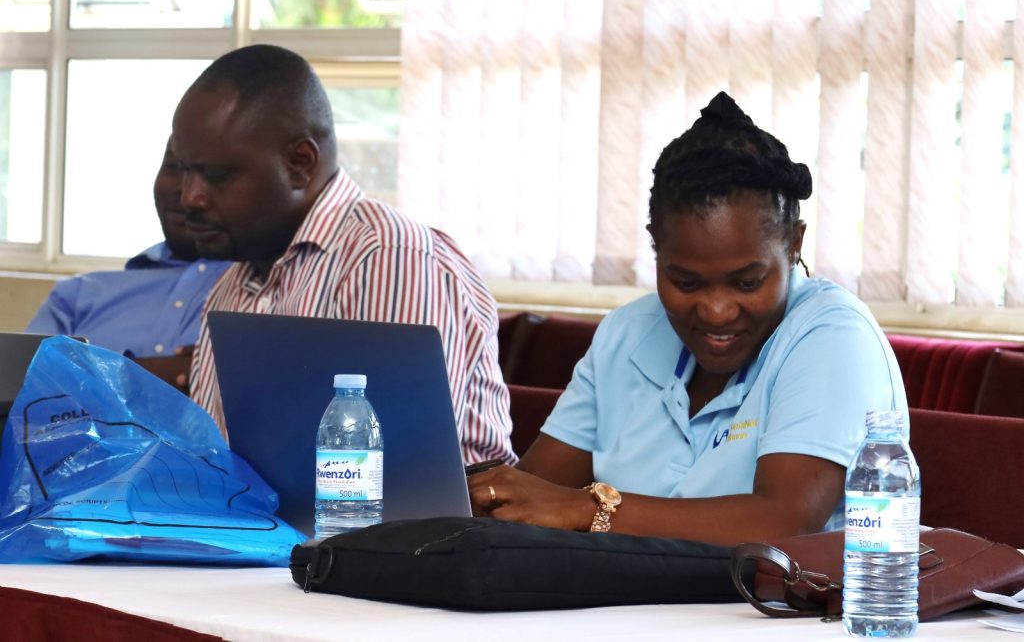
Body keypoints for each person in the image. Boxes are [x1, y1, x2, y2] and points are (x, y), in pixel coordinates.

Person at [467, 92, 908, 544]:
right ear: (655, 245)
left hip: (763, 612)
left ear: (794, 244)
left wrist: (587, 509)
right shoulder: (627, 332)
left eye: (747, 282)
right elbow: (535, 493)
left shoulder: (834, 335)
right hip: (618, 607)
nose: (717, 311)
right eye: (686, 283)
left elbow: (783, 520)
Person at [174, 44, 514, 464]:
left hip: (413, 530)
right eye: (185, 170)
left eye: (217, 176)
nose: (190, 197)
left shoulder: (388, 258)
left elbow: (393, 479)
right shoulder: (235, 282)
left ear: (300, 163)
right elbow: (215, 460)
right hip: (270, 526)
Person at [27, 140, 230, 367]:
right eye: (174, 167)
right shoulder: (76, 296)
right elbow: (25, 387)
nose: (185, 192)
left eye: (213, 174)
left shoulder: (261, 292)